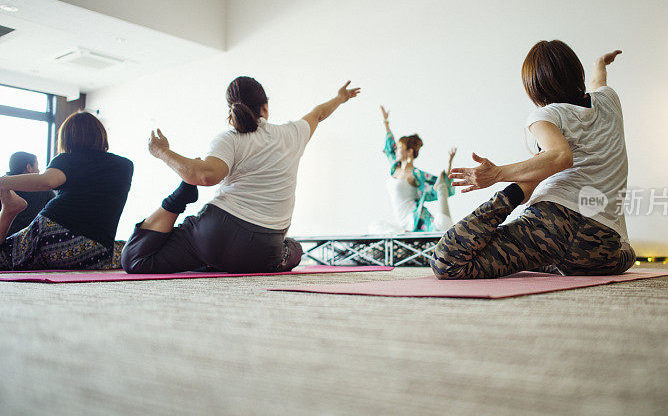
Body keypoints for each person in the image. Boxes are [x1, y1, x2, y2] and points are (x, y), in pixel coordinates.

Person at [431, 40, 636, 279]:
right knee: (626, 254)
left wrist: (497, 174)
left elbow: (560, 156)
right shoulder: (609, 100)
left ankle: (517, 201)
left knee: (447, 262)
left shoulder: (546, 115)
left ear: (534, 87)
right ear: (576, 71)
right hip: (599, 250)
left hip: (550, 226)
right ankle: (573, 259)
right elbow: (598, 83)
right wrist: (600, 63)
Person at [121, 76, 361, 274]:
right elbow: (318, 113)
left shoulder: (231, 139)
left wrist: (162, 152)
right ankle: (223, 260)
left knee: (135, 259)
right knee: (293, 249)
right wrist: (340, 98)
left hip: (215, 234)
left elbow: (206, 176)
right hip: (264, 249)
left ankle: (182, 198)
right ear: (265, 107)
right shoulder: (293, 133)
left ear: (231, 110)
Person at [0, 112, 133, 270]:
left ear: (67, 137)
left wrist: (2, 182)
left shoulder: (67, 159)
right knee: (126, 251)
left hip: (52, 238)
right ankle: (10, 209)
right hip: (96, 250)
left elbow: (48, 181)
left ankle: (9, 210)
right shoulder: (125, 165)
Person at [380, 105, 456, 232]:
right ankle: (401, 234)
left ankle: (407, 233)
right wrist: (386, 122)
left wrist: (449, 163)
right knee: (375, 226)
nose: (396, 150)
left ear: (409, 152)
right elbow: (390, 146)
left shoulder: (417, 175)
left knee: (442, 227)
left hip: (415, 219)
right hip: (401, 224)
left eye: (399, 148)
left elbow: (441, 184)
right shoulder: (395, 166)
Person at [2, 152, 55, 235]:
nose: (39, 171)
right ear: (29, 167)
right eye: (37, 166)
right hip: (29, 239)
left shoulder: (3, 189)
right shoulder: (44, 191)